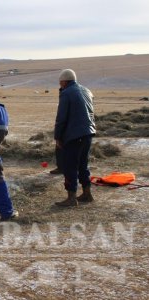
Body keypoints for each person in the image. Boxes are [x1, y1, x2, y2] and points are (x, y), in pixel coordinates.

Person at [54, 69, 96, 206]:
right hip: (88, 133)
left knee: (69, 166)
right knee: (83, 164)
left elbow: (61, 118)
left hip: (74, 135)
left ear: (64, 81)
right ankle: (87, 193)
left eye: (60, 82)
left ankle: (71, 198)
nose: (60, 85)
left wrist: (58, 137)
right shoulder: (86, 91)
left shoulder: (66, 93)